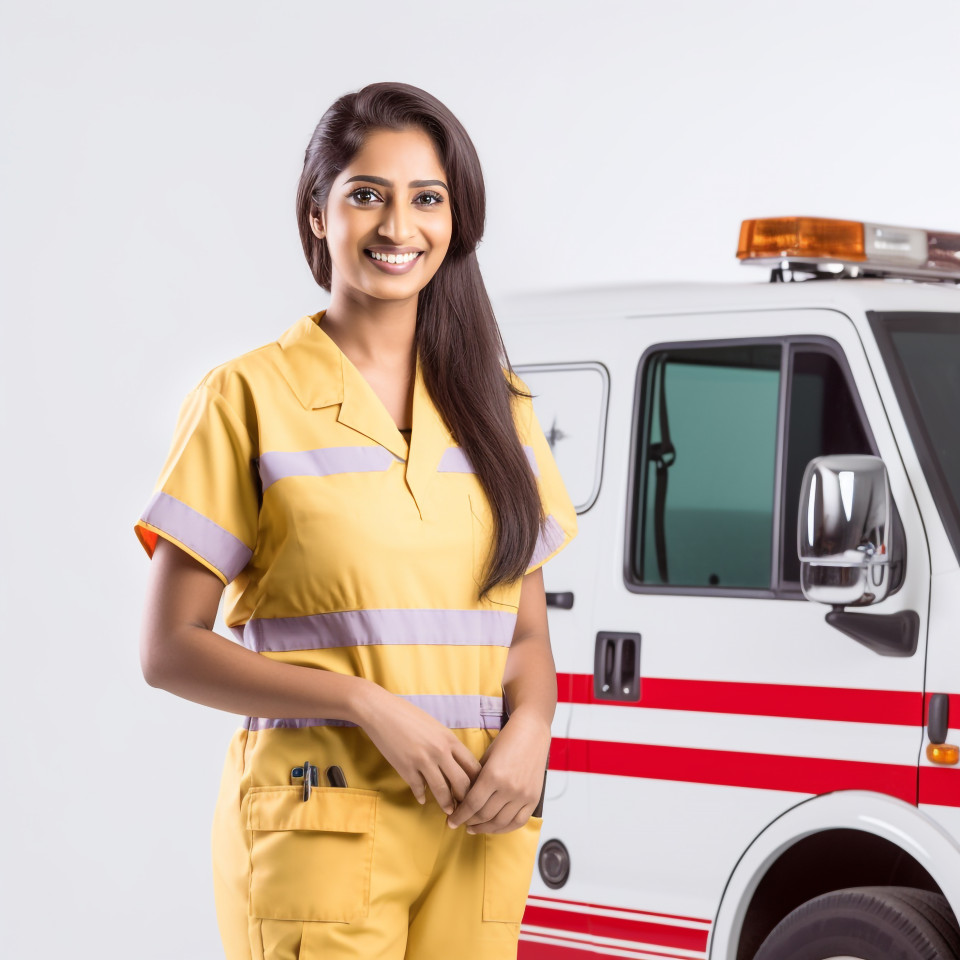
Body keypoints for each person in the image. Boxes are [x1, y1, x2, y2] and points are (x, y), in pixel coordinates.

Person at [134, 81, 577, 960]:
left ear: (456, 221)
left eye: (428, 198)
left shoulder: (500, 408)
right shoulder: (248, 398)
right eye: (366, 194)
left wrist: (533, 729)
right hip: (322, 819)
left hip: (477, 826)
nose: (397, 226)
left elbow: (523, 633)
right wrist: (364, 703)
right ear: (316, 214)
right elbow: (168, 649)